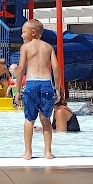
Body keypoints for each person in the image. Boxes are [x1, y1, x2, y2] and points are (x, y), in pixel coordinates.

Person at [13, 18, 60, 160]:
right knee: (46, 119)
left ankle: (28, 152)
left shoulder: (25, 47)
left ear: (32, 32)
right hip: (46, 83)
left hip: (32, 83)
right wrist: (57, 88)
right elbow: (56, 68)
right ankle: (48, 152)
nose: (22, 35)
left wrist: (18, 90)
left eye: (23, 32)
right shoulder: (48, 47)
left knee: (29, 119)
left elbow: (21, 69)